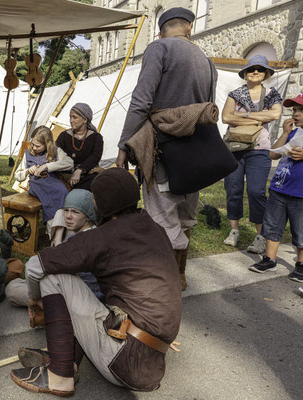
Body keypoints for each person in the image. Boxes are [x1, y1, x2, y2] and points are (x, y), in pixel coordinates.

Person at [10, 168, 181, 396]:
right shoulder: (155, 229)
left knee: (54, 277)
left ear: (100, 204)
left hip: (123, 359)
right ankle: (66, 358)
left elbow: (34, 267)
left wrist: (33, 299)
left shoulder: (102, 237)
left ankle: (60, 374)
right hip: (151, 362)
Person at [116, 7, 216, 291]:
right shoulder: (207, 61)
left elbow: (141, 101)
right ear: (189, 28)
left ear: (161, 31)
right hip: (195, 153)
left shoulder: (158, 48)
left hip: (164, 150)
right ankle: (179, 276)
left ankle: (165, 284)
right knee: (185, 215)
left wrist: (125, 144)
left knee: (160, 217)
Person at [222, 55, 283, 254]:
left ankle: (260, 236)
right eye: (251, 69)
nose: (255, 72)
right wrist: (257, 118)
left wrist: (242, 116)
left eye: (259, 69)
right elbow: (225, 117)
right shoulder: (235, 93)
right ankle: (234, 231)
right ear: (245, 73)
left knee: (256, 192)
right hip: (235, 148)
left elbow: (274, 115)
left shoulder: (272, 93)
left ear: (266, 73)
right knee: (233, 189)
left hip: (260, 149)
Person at [6, 188, 102, 308]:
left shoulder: (77, 243)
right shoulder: (97, 233)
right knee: (21, 283)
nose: (68, 216)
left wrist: (35, 299)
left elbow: (33, 269)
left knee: (12, 289)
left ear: (88, 216)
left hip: (77, 299)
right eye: (66, 210)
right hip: (88, 293)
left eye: (75, 212)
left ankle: (44, 307)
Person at [249, 91, 303, 283]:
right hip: (279, 189)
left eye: (302, 110)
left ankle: (302, 264)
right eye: (294, 110)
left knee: (302, 230)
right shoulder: (292, 132)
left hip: (302, 193)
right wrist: (284, 133)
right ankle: (269, 258)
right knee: (272, 226)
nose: (295, 114)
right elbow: (273, 155)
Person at [14, 126, 73, 241]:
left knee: (62, 192)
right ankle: (54, 235)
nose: (34, 148)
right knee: (53, 199)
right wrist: (27, 171)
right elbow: (17, 175)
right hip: (38, 185)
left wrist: (47, 166)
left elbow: (69, 163)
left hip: (54, 184)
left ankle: (59, 233)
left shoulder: (55, 151)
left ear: (47, 144)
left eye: (38, 146)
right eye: (33, 144)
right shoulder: (28, 154)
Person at [56, 103, 104, 191]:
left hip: (87, 173)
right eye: (70, 117)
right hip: (65, 173)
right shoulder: (64, 136)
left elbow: (95, 156)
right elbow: (56, 152)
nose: (71, 120)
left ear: (85, 120)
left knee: (95, 182)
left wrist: (80, 170)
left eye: (74, 117)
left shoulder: (96, 137)